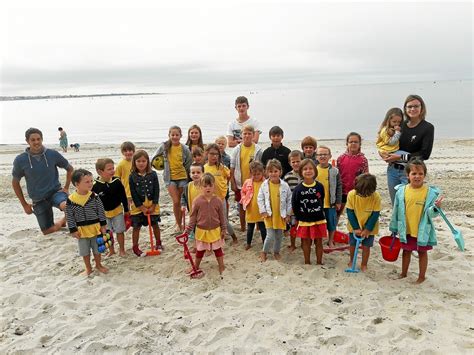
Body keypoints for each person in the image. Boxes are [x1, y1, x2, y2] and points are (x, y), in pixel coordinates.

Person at [12, 127, 73, 235]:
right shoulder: (20, 160)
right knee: (47, 231)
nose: (36, 142)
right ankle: (61, 222)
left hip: (55, 193)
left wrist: (66, 187)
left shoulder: (52, 154)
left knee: (69, 207)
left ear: (42, 139)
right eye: (33, 140)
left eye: (38, 139)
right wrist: (25, 205)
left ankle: (66, 221)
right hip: (38, 199)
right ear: (27, 141)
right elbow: (15, 182)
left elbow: (70, 169)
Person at [389, 159, 442, 284]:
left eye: (420, 174)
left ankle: (421, 276)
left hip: (422, 229)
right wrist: (394, 227)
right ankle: (403, 273)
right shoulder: (401, 191)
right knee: (406, 251)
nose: (417, 176)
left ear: (424, 175)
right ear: (407, 175)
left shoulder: (429, 193)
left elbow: (431, 214)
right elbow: (396, 210)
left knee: (422, 252)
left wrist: (436, 208)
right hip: (406, 228)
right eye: (414, 174)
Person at [383, 95, 435, 204]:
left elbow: (424, 154)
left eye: (416, 106)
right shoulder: (400, 125)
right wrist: (382, 153)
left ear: (422, 108)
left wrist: (400, 157)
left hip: (411, 171)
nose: (412, 109)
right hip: (392, 170)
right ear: (405, 109)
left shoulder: (428, 128)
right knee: (396, 204)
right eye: (409, 106)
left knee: (409, 204)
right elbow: (386, 141)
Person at [65, 169, 108, 275]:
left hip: (95, 228)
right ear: (77, 184)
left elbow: (101, 212)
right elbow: (69, 216)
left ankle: (98, 265)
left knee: (97, 249)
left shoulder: (94, 197)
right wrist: (73, 230)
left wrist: (103, 225)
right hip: (81, 230)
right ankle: (88, 268)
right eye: (87, 182)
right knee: (84, 251)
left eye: (91, 181)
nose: (90, 184)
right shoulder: (71, 200)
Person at [185, 173, 226, 276]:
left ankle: (221, 265)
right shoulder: (197, 201)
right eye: (205, 186)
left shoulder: (218, 201)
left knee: (217, 249)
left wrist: (223, 229)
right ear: (200, 187)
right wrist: (188, 229)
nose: (208, 188)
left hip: (215, 229)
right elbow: (193, 217)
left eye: (210, 185)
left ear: (214, 186)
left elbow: (222, 216)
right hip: (201, 230)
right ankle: (196, 266)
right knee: (200, 250)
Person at [153, 126, 192, 231]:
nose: (175, 137)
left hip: (183, 177)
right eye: (172, 135)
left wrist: (190, 178)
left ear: (181, 136)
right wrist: (159, 166)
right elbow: (154, 158)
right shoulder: (164, 146)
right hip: (169, 178)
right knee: (175, 201)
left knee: (181, 202)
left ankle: (178, 223)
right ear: (169, 135)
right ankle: (179, 224)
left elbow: (189, 163)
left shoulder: (184, 148)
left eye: (177, 135)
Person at [291, 159, 326, 265]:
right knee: (305, 241)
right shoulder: (298, 189)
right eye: (305, 169)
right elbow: (295, 205)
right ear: (301, 172)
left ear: (315, 171)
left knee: (319, 241)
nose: (308, 171)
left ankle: (319, 262)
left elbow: (322, 200)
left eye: (310, 168)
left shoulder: (319, 186)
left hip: (318, 219)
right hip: (304, 220)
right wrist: (298, 217)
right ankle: (307, 262)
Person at [92, 158, 130, 257]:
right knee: (107, 233)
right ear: (100, 171)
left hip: (117, 210)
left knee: (120, 231)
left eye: (113, 168)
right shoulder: (95, 186)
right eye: (109, 169)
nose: (112, 171)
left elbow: (123, 197)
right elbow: (93, 202)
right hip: (103, 214)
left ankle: (122, 250)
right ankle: (111, 250)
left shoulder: (117, 182)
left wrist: (126, 209)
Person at [230, 124, 264, 232]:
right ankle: (243, 227)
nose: (247, 135)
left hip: (254, 182)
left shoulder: (258, 149)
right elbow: (232, 167)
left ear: (253, 135)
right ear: (241, 135)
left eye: (250, 133)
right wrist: (233, 182)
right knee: (242, 204)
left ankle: (258, 226)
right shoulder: (236, 149)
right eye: (245, 133)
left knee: (256, 204)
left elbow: (261, 167)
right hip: (240, 182)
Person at [257, 159, 292, 262]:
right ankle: (264, 252)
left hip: (281, 215)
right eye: (271, 171)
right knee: (270, 235)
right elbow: (260, 198)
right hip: (269, 214)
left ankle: (276, 252)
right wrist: (262, 210)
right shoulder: (264, 185)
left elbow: (289, 200)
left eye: (276, 171)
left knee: (279, 236)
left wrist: (288, 214)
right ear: (267, 172)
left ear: (280, 172)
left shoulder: (285, 185)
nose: (273, 174)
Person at [129, 150, 162, 257]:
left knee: (155, 224)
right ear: (134, 162)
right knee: (136, 226)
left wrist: (154, 205)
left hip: (152, 203)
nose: (141, 163)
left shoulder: (153, 174)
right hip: (138, 205)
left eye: (144, 161)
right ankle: (135, 247)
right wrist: (141, 207)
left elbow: (157, 190)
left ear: (148, 161)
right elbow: (133, 193)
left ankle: (158, 243)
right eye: (138, 161)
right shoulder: (132, 176)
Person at [345, 173, 381, 272]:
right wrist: (356, 228)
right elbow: (350, 212)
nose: (362, 195)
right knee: (352, 244)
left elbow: (375, 214)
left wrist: (368, 229)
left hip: (370, 226)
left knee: (366, 246)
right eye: (360, 193)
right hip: (354, 225)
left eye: (365, 194)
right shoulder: (352, 194)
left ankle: (364, 264)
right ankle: (352, 260)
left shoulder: (376, 197)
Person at [204, 144, 238, 243]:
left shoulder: (221, 167)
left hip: (221, 198)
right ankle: (217, 237)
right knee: (212, 219)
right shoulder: (204, 168)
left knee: (223, 220)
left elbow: (229, 175)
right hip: (210, 199)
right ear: (207, 154)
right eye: (212, 154)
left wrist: (224, 185)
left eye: (216, 154)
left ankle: (234, 236)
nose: (214, 156)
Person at [336, 132, 369, 222]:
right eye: (351, 142)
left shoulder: (363, 160)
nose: (353, 144)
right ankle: (333, 233)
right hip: (342, 192)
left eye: (356, 142)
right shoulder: (340, 158)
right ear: (347, 144)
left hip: (356, 192)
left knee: (356, 214)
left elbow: (366, 177)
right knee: (337, 213)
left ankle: (356, 233)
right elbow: (336, 176)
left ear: (359, 144)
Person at [315, 146, 342, 248]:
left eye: (325, 154)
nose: (322, 156)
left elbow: (339, 186)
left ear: (330, 156)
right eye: (320, 154)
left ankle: (330, 240)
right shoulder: (314, 170)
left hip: (331, 203)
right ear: (316, 157)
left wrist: (338, 201)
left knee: (332, 223)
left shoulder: (335, 171)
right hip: (318, 203)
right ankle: (319, 241)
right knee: (319, 224)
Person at [240, 161, 266, 250]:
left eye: (258, 174)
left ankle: (264, 243)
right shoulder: (247, 182)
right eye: (254, 174)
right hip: (251, 209)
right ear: (251, 173)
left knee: (263, 228)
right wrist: (244, 200)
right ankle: (248, 243)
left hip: (261, 210)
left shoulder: (265, 182)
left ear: (262, 172)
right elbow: (242, 192)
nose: (256, 176)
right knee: (250, 228)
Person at [283, 150, 303, 251]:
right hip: (292, 206)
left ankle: (304, 244)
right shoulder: (287, 176)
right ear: (290, 163)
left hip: (304, 206)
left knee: (304, 226)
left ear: (302, 161)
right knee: (293, 225)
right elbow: (285, 193)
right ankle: (293, 244)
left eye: (298, 161)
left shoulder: (306, 175)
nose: (295, 164)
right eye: (293, 162)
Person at [182, 163, 204, 252]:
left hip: (204, 213)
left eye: (198, 172)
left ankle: (208, 248)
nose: (195, 174)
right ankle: (196, 246)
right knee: (195, 230)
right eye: (193, 172)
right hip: (193, 213)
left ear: (203, 174)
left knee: (204, 231)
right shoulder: (188, 186)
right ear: (190, 174)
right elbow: (183, 196)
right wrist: (183, 205)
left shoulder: (204, 186)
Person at [115, 141, 135, 209]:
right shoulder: (121, 165)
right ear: (122, 152)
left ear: (133, 151)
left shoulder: (136, 162)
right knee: (128, 209)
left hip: (137, 190)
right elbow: (116, 178)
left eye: (130, 150)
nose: (128, 152)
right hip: (126, 191)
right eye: (125, 151)